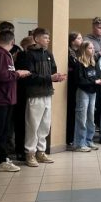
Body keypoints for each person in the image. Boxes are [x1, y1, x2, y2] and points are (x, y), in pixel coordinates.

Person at [0, 30, 30, 173]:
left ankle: (2, 160)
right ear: (13, 42)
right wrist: (18, 73)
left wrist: (15, 73)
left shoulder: (5, 54)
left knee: (4, 132)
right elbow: (1, 76)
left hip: (7, 98)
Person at [20, 27, 66, 167]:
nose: (48, 40)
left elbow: (53, 70)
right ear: (36, 39)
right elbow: (30, 76)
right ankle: (30, 153)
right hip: (35, 94)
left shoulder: (48, 53)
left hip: (47, 93)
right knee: (33, 125)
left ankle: (41, 151)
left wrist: (57, 77)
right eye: (45, 37)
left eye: (48, 37)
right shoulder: (29, 55)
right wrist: (49, 77)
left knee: (45, 125)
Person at [74, 41, 101, 151]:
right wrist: (94, 82)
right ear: (84, 49)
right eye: (90, 48)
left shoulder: (93, 63)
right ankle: (79, 143)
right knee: (82, 118)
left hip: (93, 92)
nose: (93, 50)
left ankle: (88, 140)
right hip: (83, 92)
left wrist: (98, 81)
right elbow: (80, 81)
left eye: (93, 48)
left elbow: (94, 77)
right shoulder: (79, 63)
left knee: (91, 118)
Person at [67, 32, 83, 149]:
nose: (81, 40)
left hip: (79, 84)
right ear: (72, 41)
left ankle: (76, 136)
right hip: (71, 85)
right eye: (79, 38)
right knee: (71, 111)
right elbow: (75, 65)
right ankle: (69, 138)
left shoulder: (80, 52)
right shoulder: (68, 52)